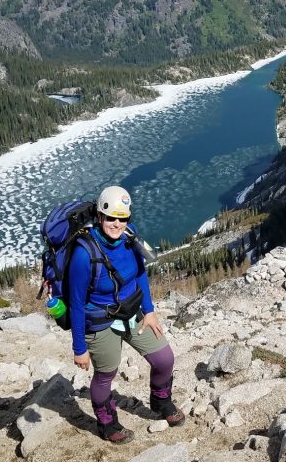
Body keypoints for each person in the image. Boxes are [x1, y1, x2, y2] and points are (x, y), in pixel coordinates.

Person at [68, 185, 184, 444]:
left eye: (122, 218)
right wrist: (79, 348)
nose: (116, 224)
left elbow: (140, 274)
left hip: (131, 312)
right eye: (111, 217)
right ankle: (107, 423)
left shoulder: (130, 241)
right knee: (106, 374)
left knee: (164, 358)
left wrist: (150, 312)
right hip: (100, 320)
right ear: (99, 217)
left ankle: (160, 400)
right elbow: (76, 304)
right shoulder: (83, 255)